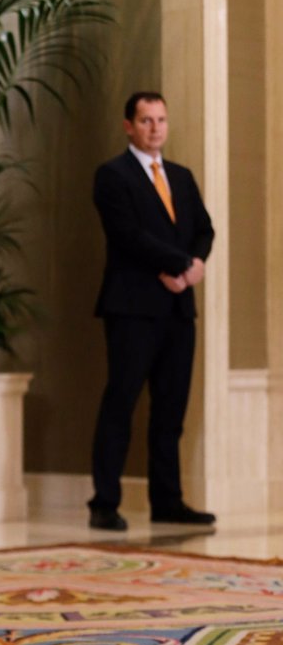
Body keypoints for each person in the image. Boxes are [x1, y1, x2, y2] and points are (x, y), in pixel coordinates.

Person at [88, 91, 215, 532]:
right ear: (129, 125)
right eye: (146, 120)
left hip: (178, 308)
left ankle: (168, 501)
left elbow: (204, 230)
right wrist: (178, 265)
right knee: (121, 403)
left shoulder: (181, 176)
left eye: (161, 119)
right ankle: (104, 502)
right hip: (132, 308)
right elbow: (127, 235)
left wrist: (194, 265)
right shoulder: (112, 175)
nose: (155, 128)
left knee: (171, 409)